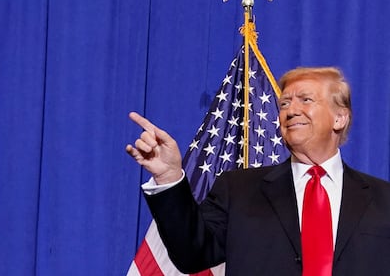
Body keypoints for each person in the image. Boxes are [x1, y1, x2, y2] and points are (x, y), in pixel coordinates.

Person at [126, 67, 390, 276]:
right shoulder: (237, 189)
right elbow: (191, 254)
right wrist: (169, 177)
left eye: (305, 100)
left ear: (339, 118)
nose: (291, 110)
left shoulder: (384, 199)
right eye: (284, 103)